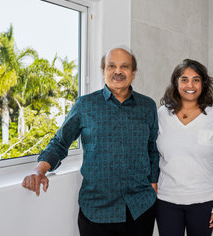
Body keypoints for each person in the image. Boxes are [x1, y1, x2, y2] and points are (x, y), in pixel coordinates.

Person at [22, 47, 159, 236]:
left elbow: (152, 148)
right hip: (96, 210)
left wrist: (153, 182)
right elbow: (60, 142)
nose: (118, 71)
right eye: (111, 66)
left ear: (133, 73)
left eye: (124, 66)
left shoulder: (148, 106)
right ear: (103, 71)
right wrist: (40, 170)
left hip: (140, 208)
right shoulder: (84, 105)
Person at [155, 59, 213, 236]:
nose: (190, 85)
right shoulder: (162, 114)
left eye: (196, 79)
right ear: (176, 83)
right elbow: (153, 154)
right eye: (184, 79)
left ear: (203, 84)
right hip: (167, 201)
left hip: (204, 201)